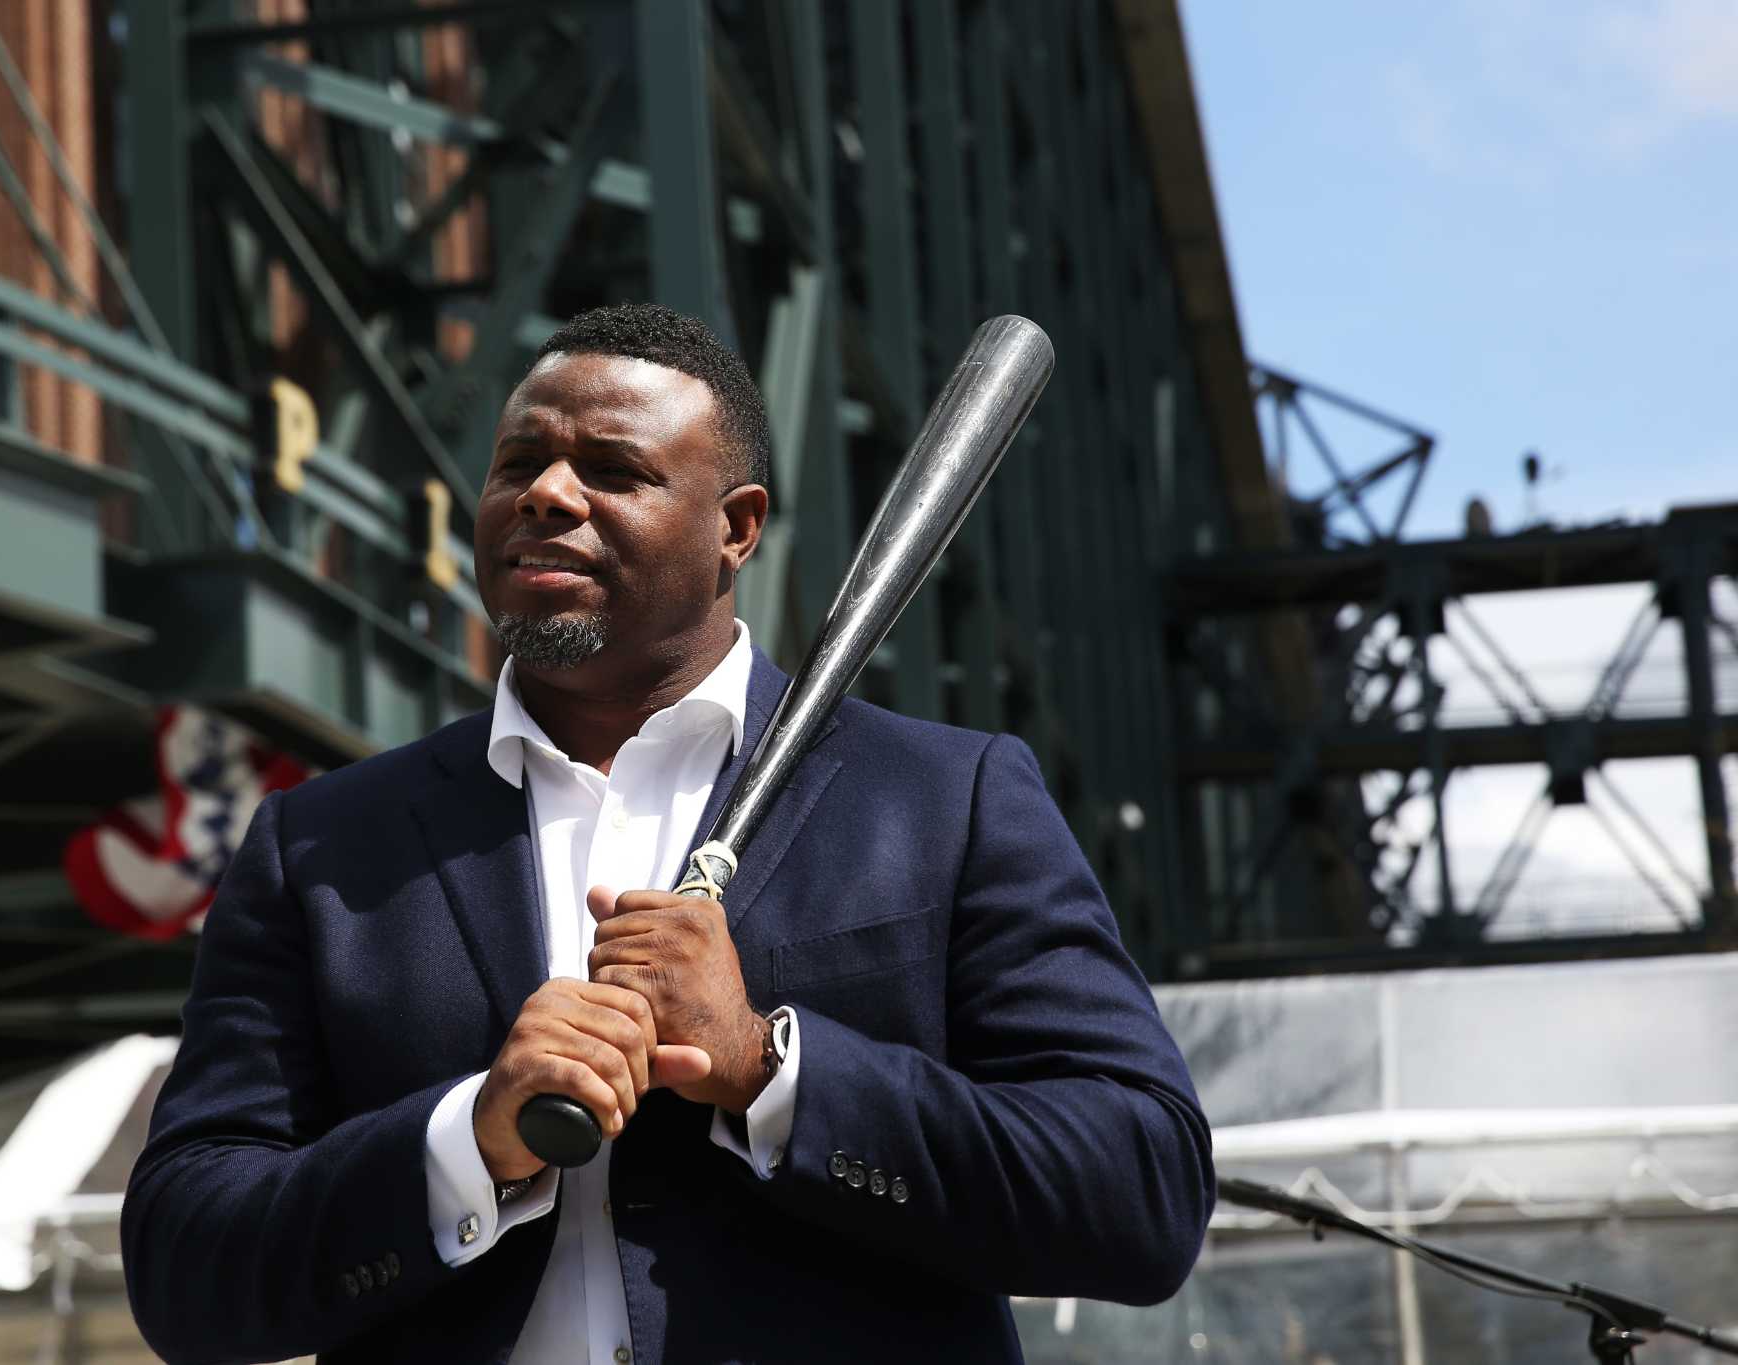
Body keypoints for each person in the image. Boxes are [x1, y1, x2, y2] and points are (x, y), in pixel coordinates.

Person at [121, 303, 1215, 1364]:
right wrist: (464, 1145)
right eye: (518, 463)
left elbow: (1140, 1190)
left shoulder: (944, 798)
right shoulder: (319, 846)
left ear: (735, 528)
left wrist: (766, 1067)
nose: (547, 493)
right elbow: (185, 1267)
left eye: (612, 470)